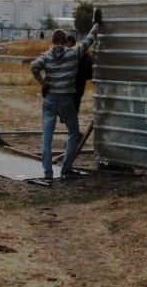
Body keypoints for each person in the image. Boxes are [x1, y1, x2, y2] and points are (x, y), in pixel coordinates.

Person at [31, 23, 100, 180]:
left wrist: (43, 84)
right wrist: (96, 25)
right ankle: (66, 168)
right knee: (74, 133)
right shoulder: (73, 53)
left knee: (47, 136)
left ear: (53, 40)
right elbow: (88, 40)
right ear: (64, 40)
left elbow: (34, 66)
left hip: (49, 99)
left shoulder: (46, 56)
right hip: (66, 99)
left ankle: (48, 172)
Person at [65, 34, 94, 114]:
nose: (64, 45)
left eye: (66, 43)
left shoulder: (73, 55)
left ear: (70, 43)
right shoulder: (85, 55)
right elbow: (91, 73)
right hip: (78, 87)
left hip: (74, 86)